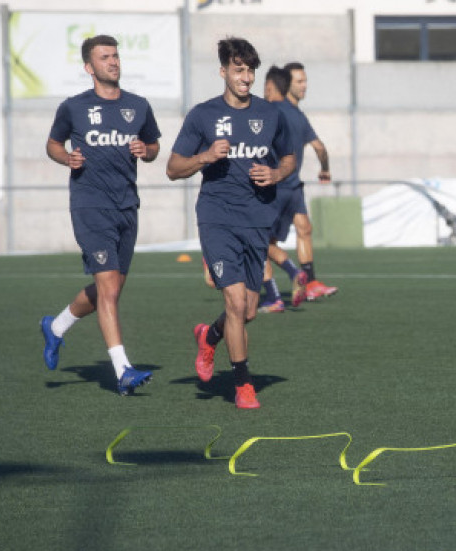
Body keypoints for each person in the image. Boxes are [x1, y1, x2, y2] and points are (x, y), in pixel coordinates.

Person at [166, 37, 295, 409]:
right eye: (239, 70)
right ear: (223, 71)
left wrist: (275, 173)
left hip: (257, 220)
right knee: (236, 302)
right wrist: (206, 155)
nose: (247, 77)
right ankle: (243, 385)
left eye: (251, 70)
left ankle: (209, 336)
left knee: (249, 311)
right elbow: (174, 168)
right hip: (217, 217)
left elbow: (288, 159)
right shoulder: (203, 115)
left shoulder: (272, 114)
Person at [40, 35, 161, 396]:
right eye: (105, 57)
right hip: (90, 205)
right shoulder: (74, 107)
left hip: (127, 206)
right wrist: (67, 158)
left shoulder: (138, 106)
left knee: (111, 289)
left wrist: (146, 149)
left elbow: (154, 146)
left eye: (116, 56)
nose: (113, 62)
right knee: (108, 289)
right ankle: (122, 370)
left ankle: (56, 326)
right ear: (89, 67)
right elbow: (53, 144)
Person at [255, 65, 311, 313]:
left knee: (257, 241)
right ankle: (283, 286)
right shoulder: (297, 114)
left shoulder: (267, 112)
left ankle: (279, 291)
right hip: (292, 188)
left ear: (269, 87)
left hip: (273, 188)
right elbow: (318, 147)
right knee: (268, 241)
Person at [281, 61, 338, 301]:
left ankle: (309, 281)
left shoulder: (298, 115)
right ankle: (271, 293)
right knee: (265, 242)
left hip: (293, 185)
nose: (305, 86)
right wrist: (325, 168)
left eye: (306, 81)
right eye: (300, 82)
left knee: (304, 228)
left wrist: (324, 168)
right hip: (275, 185)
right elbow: (320, 148)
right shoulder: (278, 110)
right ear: (287, 85)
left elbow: (319, 147)